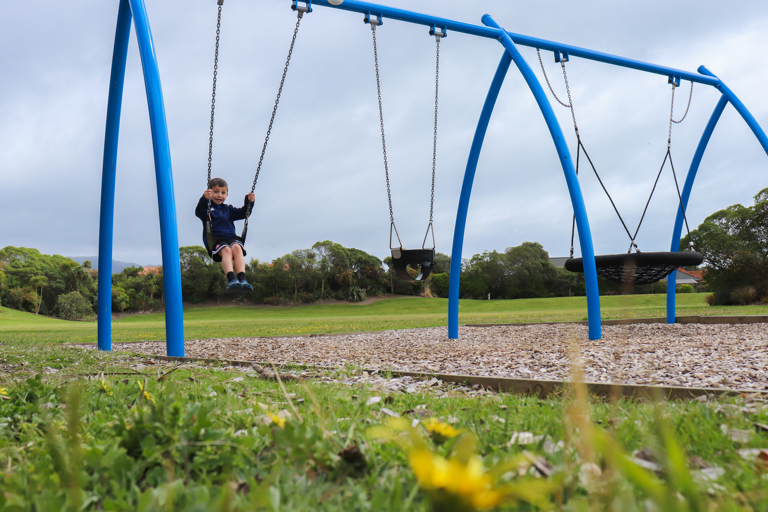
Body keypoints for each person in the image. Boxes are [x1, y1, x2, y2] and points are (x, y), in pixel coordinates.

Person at [195, 178, 256, 291]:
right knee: (227, 250)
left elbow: (243, 213)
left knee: (237, 248)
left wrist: (249, 202)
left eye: (223, 193)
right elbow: (198, 212)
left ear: (227, 195)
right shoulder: (207, 209)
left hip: (231, 237)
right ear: (210, 192)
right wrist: (204, 199)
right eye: (216, 191)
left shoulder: (229, 209)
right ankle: (232, 279)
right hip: (215, 239)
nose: (220, 195)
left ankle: (242, 279)